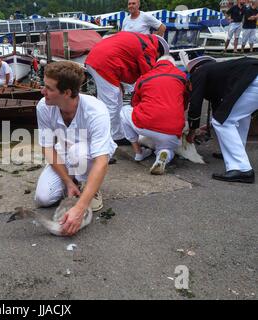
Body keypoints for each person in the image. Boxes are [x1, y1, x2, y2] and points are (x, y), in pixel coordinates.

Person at [35, 61, 117, 236]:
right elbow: (47, 147)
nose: (43, 92)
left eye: (49, 88)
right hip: (65, 151)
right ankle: (73, 183)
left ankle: (90, 188)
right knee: (43, 198)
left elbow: (101, 161)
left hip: (89, 155)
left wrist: (80, 208)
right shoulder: (43, 106)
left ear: (67, 93)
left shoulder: (96, 111)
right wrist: (67, 181)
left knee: (78, 153)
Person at [85, 31, 169, 147]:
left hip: (99, 60)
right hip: (104, 64)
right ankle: (102, 143)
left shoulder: (139, 38)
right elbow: (150, 76)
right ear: (158, 52)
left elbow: (123, 57)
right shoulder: (148, 47)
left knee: (115, 99)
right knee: (111, 105)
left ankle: (116, 136)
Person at [185, 56, 258, 183]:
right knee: (240, 117)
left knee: (223, 123)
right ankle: (234, 152)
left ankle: (241, 168)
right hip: (253, 78)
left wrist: (191, 131)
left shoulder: (199, 72)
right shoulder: (220, 72)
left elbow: (195, 104)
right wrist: (210, 124)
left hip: (253, 80)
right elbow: (219, 107)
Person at [120, 56, 188, 175]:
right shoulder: (182, 76)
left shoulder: (144, 77)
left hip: (146, 123)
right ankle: (164, 155)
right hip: (173, 129)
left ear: (156, 64)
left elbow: (135, 103)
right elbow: (186, 102)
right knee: (168, 148)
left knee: (124, 110)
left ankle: (138, 152)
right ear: (173, 65)